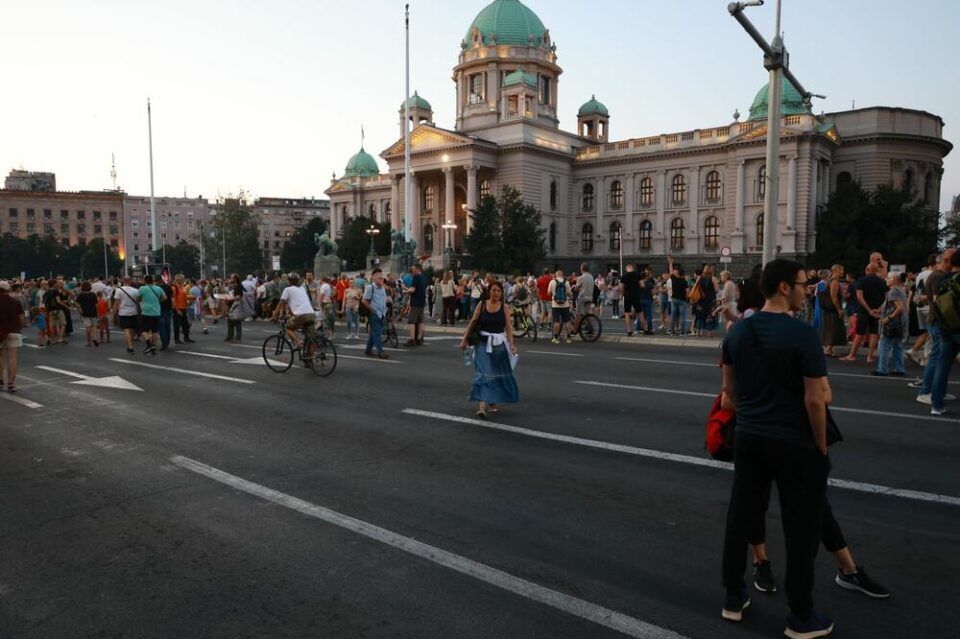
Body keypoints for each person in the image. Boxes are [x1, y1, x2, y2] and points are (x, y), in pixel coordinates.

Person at [720, 259, 834, 638]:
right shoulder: (803, 334)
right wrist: (821, 448)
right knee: (800, 528)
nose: (807, 290)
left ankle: (733, 597)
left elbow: (729, 396)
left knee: (741, 516)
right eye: (804, 284)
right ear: (784, 288)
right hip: (794, 442)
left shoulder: (737, 331)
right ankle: (801, 616)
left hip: (749, 437)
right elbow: (815, 399)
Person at [460, 280, 518, 418]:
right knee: (483, 373)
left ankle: (492, 399)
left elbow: (509, 327)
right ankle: (481, 406)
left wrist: (512, 344)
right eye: (493, 290)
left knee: (495, 374)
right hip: (482, 343)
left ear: (501, 293)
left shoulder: (504, 307)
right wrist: (464, 339)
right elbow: (473, 321)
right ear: (488, 291)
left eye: (499, 291)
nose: (496, 293)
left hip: (499, 345)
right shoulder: (482, 304)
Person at [841, 263, 886, 363]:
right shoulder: (882, 281)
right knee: (874, 333)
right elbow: (886, 297)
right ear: (877, 270)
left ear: (867, 269)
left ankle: (852, 355)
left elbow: (860, 297)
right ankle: (870, 357)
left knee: (859, 333)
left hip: (864, 311)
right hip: (876, 311)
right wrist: (878, 309)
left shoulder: (861, 281)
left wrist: (869, 310)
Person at [271, 273, 317, 349]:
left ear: (289, 281)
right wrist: (291, 314)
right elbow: (298, 303)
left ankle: (298, 342)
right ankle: (312, 357)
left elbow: (280, 303)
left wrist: (274, 316)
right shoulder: (302, 288)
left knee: (288, 327)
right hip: (311, 314)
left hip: (301, 315)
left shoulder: (287, 289)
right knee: (309, 337)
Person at [874, 272, 908, 377]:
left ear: (894, 280)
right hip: (901, 323)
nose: (886, 279)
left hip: (892, 324)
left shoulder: (893, 291)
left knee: (883, 345)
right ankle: (899, 369)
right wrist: (880, 310)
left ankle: (882, 369)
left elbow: (899, 308)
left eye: (888, 278)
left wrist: (888, 318)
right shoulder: (901, 290)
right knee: (898, 346)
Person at [0, 280, 26, 392]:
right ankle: (11, 383)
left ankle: (0, 381)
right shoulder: (15, 302)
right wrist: (20, 326)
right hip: (14, 331)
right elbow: (21, 319)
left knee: (0, 356)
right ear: (8, 289)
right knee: (12, 357)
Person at [361, 269, 390, 359]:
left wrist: (387, 305)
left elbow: (384, 300)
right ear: (373, 278)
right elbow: (364, 301)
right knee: (377, 333)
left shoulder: (383, 288)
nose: (381, 279)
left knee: (375, 332)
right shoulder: (370, 288)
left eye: (382, 277)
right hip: (374, 313)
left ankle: (368, 350)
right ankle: (380, 352)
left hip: (382, 313)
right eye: (379, 278)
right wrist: (372, 310)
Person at [819, 265, 847, 357]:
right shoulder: (834, 281)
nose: (842, 272)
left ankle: (829, 349)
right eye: (839, 270)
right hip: (832, 309)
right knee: (833, 327)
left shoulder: (831, 280)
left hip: (829, 308)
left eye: (842, 270)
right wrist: (839, 309)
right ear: (834, 271)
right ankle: (828, 349)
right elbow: (833, 296)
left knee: (830, 326)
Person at [138, 275, 166, 355]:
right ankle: (153, 346)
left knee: (143, 330)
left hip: (146, 312)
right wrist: (157, 302)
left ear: (145, 281)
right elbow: (164, 297)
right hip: (156, 312)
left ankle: (148, 344)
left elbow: (138, 298)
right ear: (153, 280)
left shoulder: (142, 289)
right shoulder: (158, 288)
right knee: (155, 330)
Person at [113, 276, 141, 355]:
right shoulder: (136, 291)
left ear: (122, 281)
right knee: (132, 329)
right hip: (134, 312)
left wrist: (113, 312)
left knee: (126, 329)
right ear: (130, 281)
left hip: (123, 312)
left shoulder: (119, 290)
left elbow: (116, 303)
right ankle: (130, 344)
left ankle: (130, 346)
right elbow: (138, 301)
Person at [405, 264, 429, 346]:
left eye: (413, 269)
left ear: (417, 269)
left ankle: (412, 339)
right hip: (422, 301)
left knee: (412, 321)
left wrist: (406, 291)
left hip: (415, 302)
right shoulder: (424, 277)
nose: (412, 271)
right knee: (420, 321)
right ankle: (419, 339)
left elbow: (413, 289)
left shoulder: (416, 277)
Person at [548, 270, 573, 344]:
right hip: (565, 305)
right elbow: (569, 294)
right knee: (567, 321)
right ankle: (568, 338)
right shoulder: (567, 282)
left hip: (555, 305)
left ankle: (556, 338)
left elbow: (548, 293)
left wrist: (553, 294)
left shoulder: (552, 282)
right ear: (562, 275)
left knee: (556, 321)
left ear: (556, 275)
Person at [571, 263, 595, 335]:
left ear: (581, 269)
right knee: (587, 313)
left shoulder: (581, 278)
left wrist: (575, 287)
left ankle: (575, 330)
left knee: (578, 314)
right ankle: (590, 327)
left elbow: (576, 289)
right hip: (590, 297)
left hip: (582, 297)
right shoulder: (591, 276)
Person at [171, 275, 194, 344]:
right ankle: (177, 339)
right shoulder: (174, 288)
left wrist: (188, 302)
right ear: (179, 280)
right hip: (177, 308)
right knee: (177, 325)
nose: (184, 280)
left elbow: (184, 298)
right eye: (183, 279)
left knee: (185, 324)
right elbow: (173, 299)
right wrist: (177, 310)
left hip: (183, 307)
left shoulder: (183, 287)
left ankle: (186, 338)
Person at [75, 281, 100, 347]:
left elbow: (77, 303)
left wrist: (80, 309)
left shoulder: (81, 295)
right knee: (94, 326)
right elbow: (96, 305)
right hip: (93, 312)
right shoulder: (93, 294)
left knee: (87, 327)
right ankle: (94, 338)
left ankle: (89, 342)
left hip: (85, 313)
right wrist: (97, 312)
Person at [223, 274, 247, 342]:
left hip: (236, 305)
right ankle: (231, 336)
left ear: (235, 279)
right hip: (233, 304)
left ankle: (236, 337)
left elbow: (238, 296)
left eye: (232, 278)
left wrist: (229, 299)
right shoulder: (235, 286)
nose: (230, 279)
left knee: (236, 321)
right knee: (231, 321)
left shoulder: (238, 286)